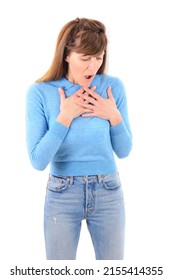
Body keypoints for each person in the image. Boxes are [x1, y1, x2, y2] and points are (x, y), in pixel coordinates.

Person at [26, 17, 132, 260]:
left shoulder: (112, 88)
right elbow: (37, 160)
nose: (92, 67)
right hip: (62, 193)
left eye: (99, 57)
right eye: (85, 58)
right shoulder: (40, 92)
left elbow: (124, 150)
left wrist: (114, 116)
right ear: (66, 55)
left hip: (108, 190)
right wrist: (65, 117)